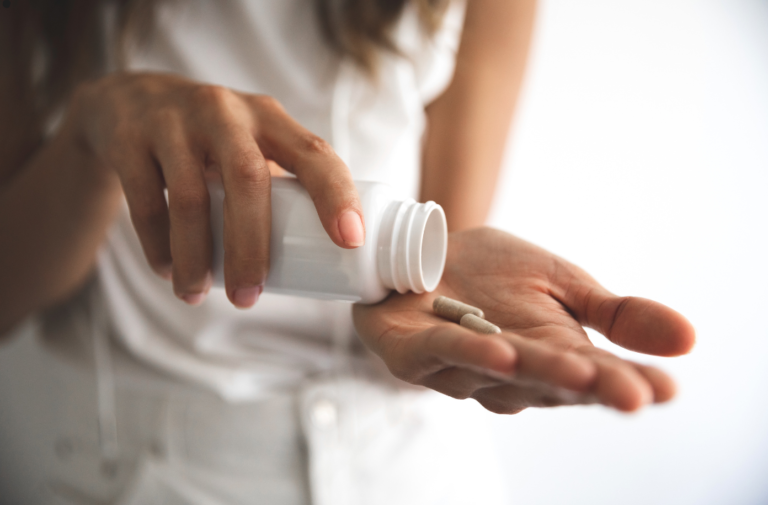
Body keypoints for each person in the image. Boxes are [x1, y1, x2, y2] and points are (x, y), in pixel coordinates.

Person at [0, 0, 694, 504]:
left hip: (410, 468)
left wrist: (440, 312)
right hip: (128, 468)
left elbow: (434, 257)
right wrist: (91, 135)